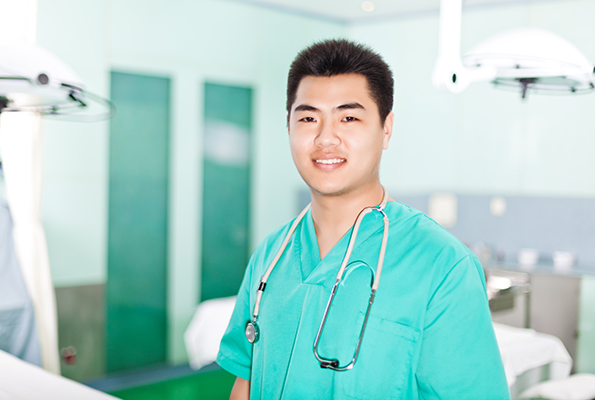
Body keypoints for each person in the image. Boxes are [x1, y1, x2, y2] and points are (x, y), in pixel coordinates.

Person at [217, 39, 511, 400]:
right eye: (308, 118)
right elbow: (245, 382)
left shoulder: (442, 266)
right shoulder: (271, 255)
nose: (325, 138)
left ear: (386, 129)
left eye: (349, 117)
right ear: (289, 127)